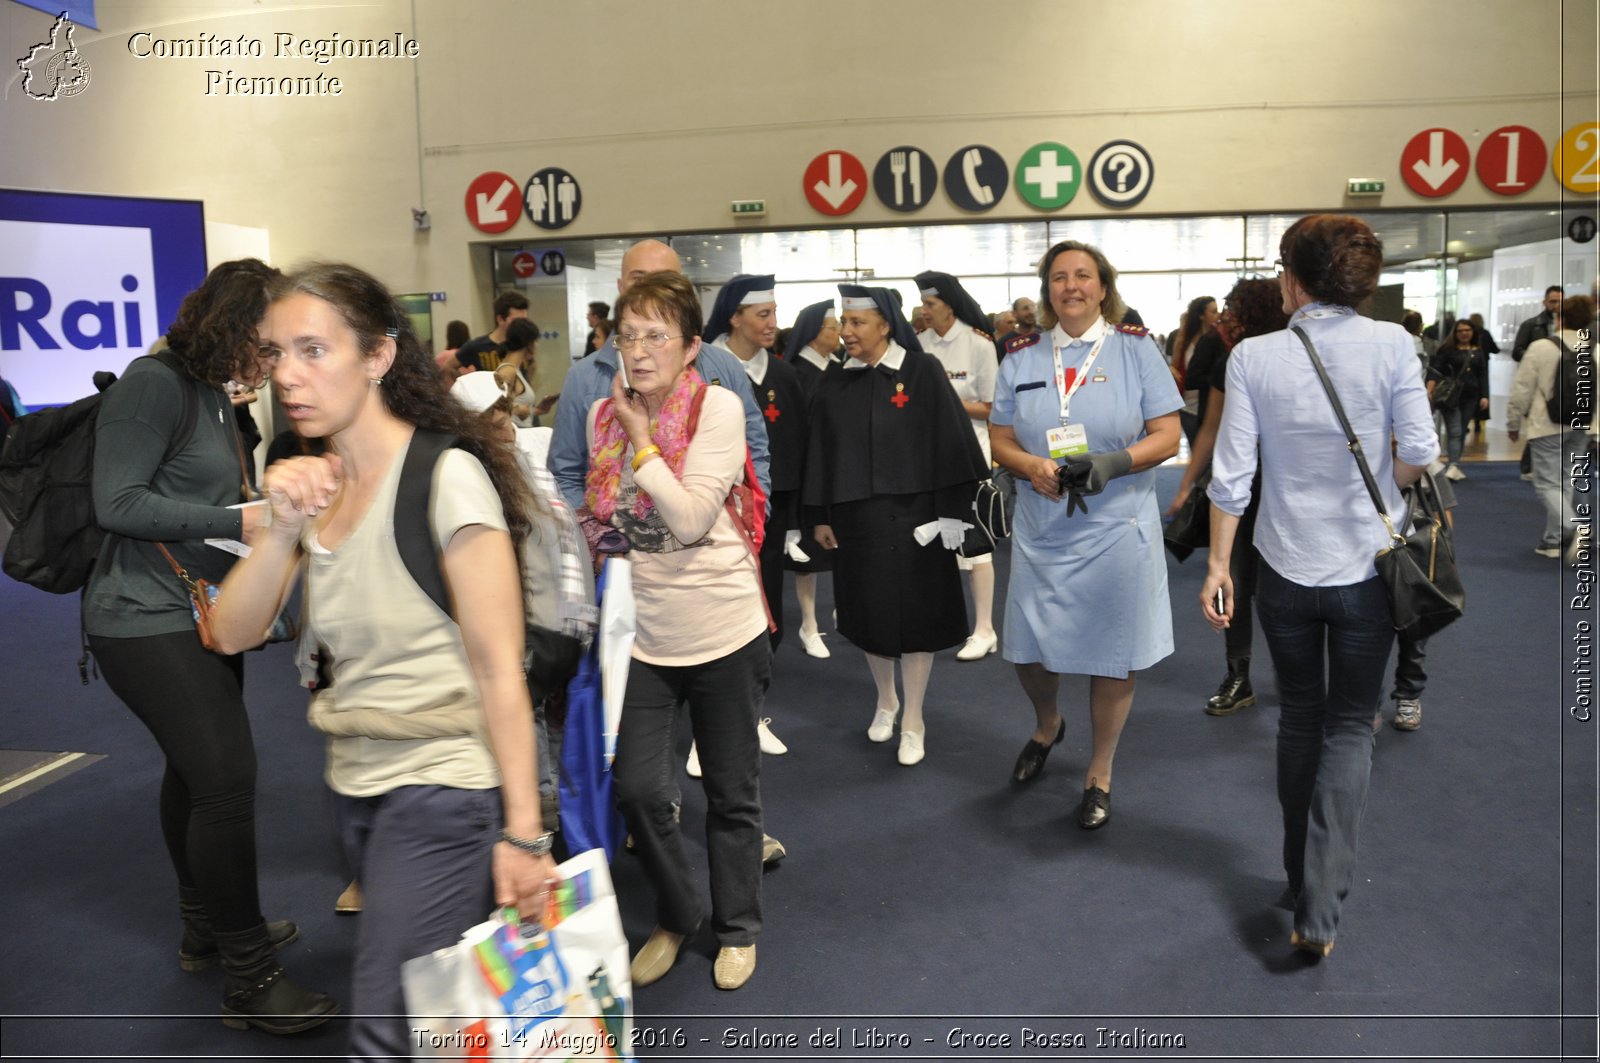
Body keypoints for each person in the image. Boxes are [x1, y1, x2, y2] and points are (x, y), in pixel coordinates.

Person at [209, 262, 556, 1057]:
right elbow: (230, 632)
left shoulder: (446, 477)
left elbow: (503, 668)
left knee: (387, 1030)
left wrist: (527, 837)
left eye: (312, 350)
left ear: (377, 356)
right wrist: (287, 524)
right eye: (274, 353)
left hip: (444, 788)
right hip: (356, 783)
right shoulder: (316, 485)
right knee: (446, 1024)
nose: (287, 375)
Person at [82, 259, 337, 1035]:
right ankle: (250, 975)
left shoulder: (212, 394)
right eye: (265, 348)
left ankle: (207, 927)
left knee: (198, 775)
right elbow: (116, 501)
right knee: (225, 779)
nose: (272, 366)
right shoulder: (154, 384)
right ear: (229, 325)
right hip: (139, 615)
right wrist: (240, 516)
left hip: (196, 608)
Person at [1202, 214, 1437, 957]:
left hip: (1282, 570)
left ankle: (1295, 873)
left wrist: (1216, 566)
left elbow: (1231, 478)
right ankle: (1321, 906)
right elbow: (1420, 454)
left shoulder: (1253, 357)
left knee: (1300, 719)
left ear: (1294, 279)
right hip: (1367, 570)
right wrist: (1385, 493)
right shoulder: (1394, 343)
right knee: (1348, 725)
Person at [585, 271, 769, 991]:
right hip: (646, 634)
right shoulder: (605, 415)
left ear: (692, 346)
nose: (638, 350)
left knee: (730, 792)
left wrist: (640, 441)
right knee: (635, 789)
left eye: (656, 335)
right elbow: (600, 516)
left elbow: (691, 519)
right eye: (627, 335)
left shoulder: (715, 407)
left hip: (724, 630)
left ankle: (739, 926)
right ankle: (678, 910)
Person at [989, 241, 1182, 829]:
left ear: (1103, 287)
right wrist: (1028, 467)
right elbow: (1000, 438)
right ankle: (1048, 723)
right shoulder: (1020, 357)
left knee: (1112, 655)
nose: (1070, 286)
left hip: (1116, 529)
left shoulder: (1136, 349)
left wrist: (1111, 463)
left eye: (1083, 276)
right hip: (1043, 527)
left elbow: (1168, 435)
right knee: (1028, 650)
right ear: (1048, 289)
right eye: (1058, 277)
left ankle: (1099, 770)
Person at [803, 284, 988, 767]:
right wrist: (819, 515)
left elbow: (952, 443)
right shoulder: (835, 381)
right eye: (843, 323)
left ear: (885, 324)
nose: (846, 332)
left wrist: (952, 511)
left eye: (856, 323)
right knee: (869, 616)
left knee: (917, 617)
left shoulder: (921, 370)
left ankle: (914, 719)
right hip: (855, 521)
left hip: (916, 521)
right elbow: (819, 452)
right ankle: (886, 701)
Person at [548, 239, 769, 513]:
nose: (650, 290)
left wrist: (755, 518)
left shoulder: (723, 367)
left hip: (713, 536)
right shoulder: (584, 377)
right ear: (620, 288)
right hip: (617, 542)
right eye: (638, 279)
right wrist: (596, 537)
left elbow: (754, 452)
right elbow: (566, 472)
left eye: (665, 280)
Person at [1164, 278, 1289, 716]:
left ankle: (1295, 672)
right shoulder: (1230, 359)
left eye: (1236, 307)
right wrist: (1186, 485)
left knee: (1287, 583)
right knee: (1234, 578)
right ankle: (1239, 675)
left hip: (1289, 491)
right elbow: (1211, 429)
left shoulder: (1296, 355)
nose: (1226, 316)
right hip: (1240, 490)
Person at [701, 273, 803, 757]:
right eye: (763, 314)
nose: (773, 324)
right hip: (709, 512)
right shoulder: (701, 367)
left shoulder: (783, 375)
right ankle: (707, 730)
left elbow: (796, 450)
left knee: (767, 612)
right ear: (735, 317)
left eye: (775, 314)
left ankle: (753, 710)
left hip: (769, 511)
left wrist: (794, 514)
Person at [915, 270, 1000, 661]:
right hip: (929, 458)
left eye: (931, 304)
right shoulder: (918, 345)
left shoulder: (978, 344)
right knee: (935, 544)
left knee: (975, 545)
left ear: (949, 304)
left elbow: (991, 405)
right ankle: (942, 621)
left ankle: (984, 629)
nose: (924, 310)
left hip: (970, 456)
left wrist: (945, 400)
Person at [1508, 295, 1593, 560]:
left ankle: (1575, 528)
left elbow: (1522, 389)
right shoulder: (1593, 347)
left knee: (1546, 483)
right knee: (1567, 480)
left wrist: (1513, 421)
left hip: (1547, 424)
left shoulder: (1541, 347)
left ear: (1560, 318)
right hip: (1582, 424)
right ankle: (1553, 541)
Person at [781, 299, 841, 658]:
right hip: (809, 473)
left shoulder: (840, 367)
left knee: (842, 545)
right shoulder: (797, 372)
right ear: (815, 333)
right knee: (810, 556)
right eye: (834, 327)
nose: (840, 333)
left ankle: (843, 610)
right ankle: (808, 624)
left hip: (839, 471)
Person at [1427, 318, 1489, 481]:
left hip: (1471, 396)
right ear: (1455, 333)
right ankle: (1453, 464)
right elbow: (1435, 370)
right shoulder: (1447, 350)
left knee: (1461, 430)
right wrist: (1429, 389)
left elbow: (1483, 375)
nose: (1464, 334)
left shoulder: (1478, 351)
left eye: (1467, 330)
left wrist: (1485, 395)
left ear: (1473, 332)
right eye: (1460, 331)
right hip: (1451, 396)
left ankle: (1455, 464)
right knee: (1454, 430)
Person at [1168, 295, 1219, 445]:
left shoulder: (1219, 340)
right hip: (1188, 408)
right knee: (1198, 451)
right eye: (1214, 312)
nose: (1219, 315)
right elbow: (1176, 367)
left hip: (1212, 407)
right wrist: (1170, 369)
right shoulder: (1184, 341)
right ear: (1201, 316)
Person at [495, 317, 558, 428]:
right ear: (529, 343)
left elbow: (517, 409)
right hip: (515, 436)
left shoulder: (516, 370)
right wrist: (517, 409)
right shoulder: (507, 371)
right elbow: (496, 408)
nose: (536, 346)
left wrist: (538, 410)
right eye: (535, 341)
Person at [455, 290, 529, 372]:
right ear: (500, 319)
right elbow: (448, 367)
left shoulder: (525, 343)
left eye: (524, 320)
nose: (522, 325)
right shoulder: (476, 346)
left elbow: (530, 367)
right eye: (516, 320)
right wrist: (465, 382)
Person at [1513, 286, 1564, 361]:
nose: (1557, 305)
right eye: (1553, 301)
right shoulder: (1530, 324)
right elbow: (1517, 353)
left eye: (1560, 302)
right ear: (1545, 302)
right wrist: (1538, 357)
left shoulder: (1569, 325)